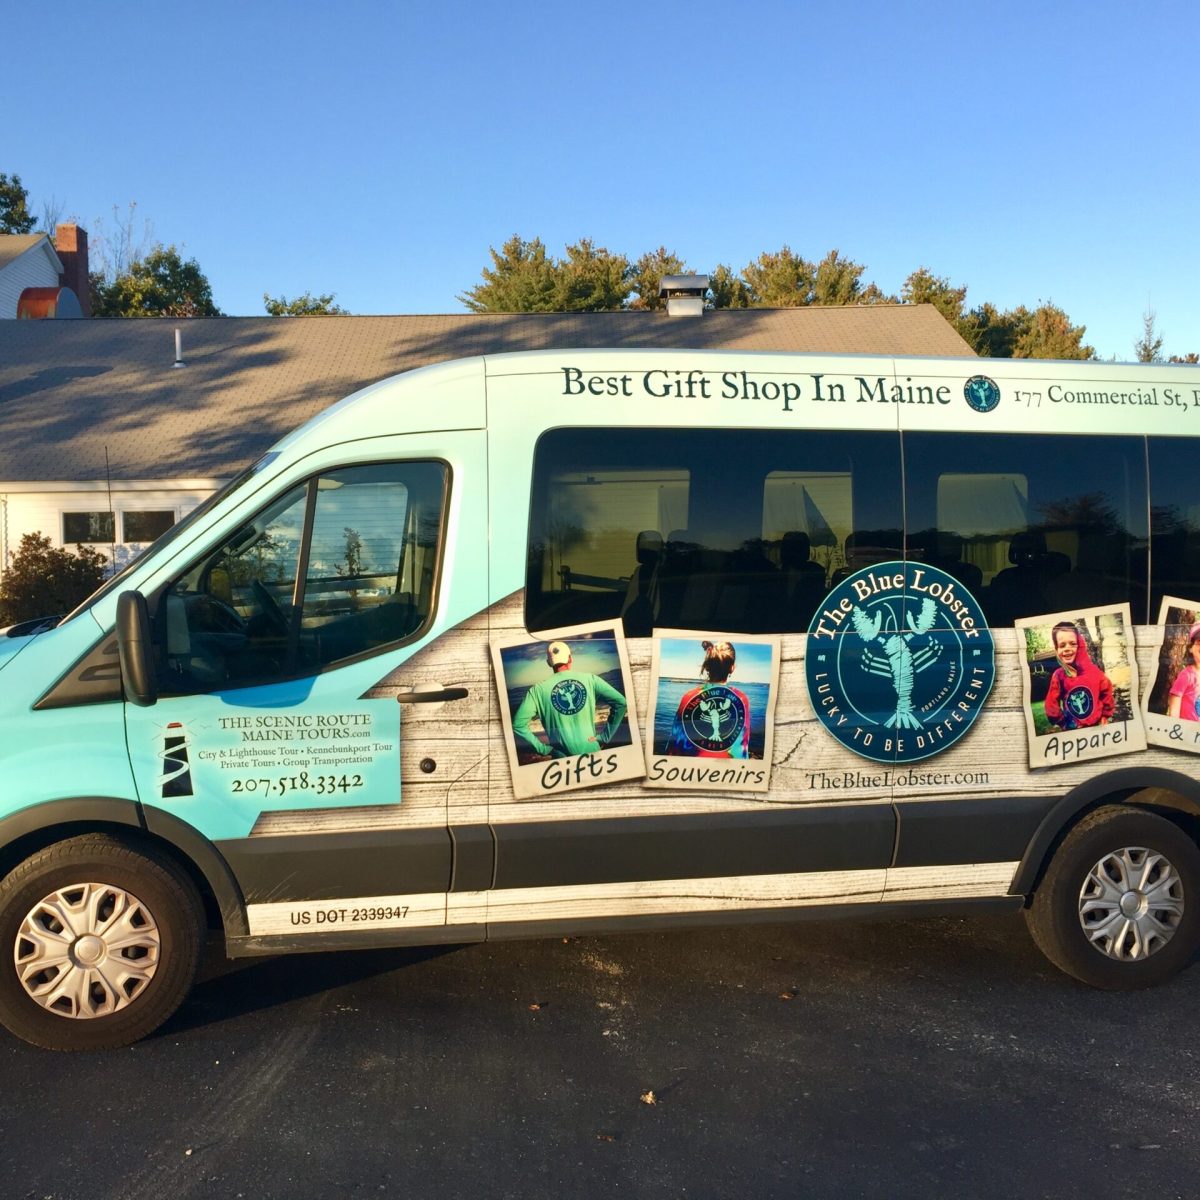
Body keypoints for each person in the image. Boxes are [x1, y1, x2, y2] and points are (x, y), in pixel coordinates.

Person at [511, 640, 628, 759]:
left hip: (561, 761)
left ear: (548, 663)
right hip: (592, 754)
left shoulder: (537, 691)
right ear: (570, 658)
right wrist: (605, 736)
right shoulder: (590, 679)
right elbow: (621, 703)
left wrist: (543, 749)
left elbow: (517, 725)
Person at [667, 640, 752, 758]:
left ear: (707, 666)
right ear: (732, 668)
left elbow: (676, 743)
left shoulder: (689, 697)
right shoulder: (741, 699)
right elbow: (742, 746)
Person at [1043, 620, 1114, 731]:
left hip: (1097, 727)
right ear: (1057, 650)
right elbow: (1051, 704)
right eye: (1062, 645)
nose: (1067, 648)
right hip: (1073, 731)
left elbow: (1106, 691)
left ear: (1080, 645)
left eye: (1073, 644)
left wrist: (1105, 714)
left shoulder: (1094, 672)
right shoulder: (1059, 675)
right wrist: (1062, 722)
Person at [1167, 623, 1200, 721]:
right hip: (1186, 733)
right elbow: (1174, 713)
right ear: (1190, 648)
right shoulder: (1186, 675)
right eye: (1199, 642)